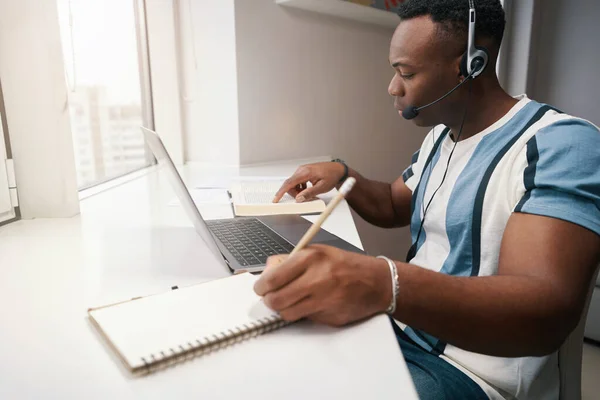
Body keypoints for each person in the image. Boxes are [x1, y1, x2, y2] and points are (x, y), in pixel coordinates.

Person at [253, 0, 600, 399]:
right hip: (398, 329)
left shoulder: (561, 144)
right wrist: (346, 176)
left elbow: (543, 315)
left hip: (474, 372)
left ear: (470, 65)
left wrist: (386, 283)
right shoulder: (441, 136)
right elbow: (392, 205)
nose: (393, 87)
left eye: (406, 73)